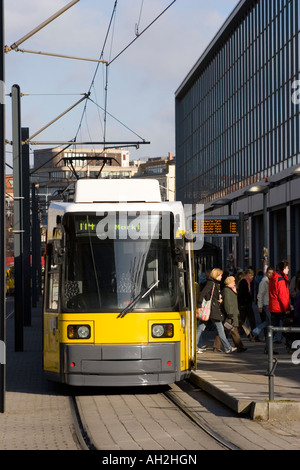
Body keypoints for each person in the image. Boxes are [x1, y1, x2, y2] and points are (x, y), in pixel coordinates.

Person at [197, 268, 237, 354]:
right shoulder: (211, 283)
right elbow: (203, 293)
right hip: (213, 310)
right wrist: (199, 305)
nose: (222, 277)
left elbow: (209, 295)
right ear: (216, 275)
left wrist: (219, 299)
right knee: (220, 328)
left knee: (201, 328)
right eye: (220, 275)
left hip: (210, 310)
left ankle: (195, 347)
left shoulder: (214, 283)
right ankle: (227, 347)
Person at [215, 276, 247, 352]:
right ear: (229, 282)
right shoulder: (227, 291)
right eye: (233, 281)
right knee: (233, 330)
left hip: (232, 313)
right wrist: (229, 313)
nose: (234, 283)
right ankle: (240, 346)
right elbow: (227, 303)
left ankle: (216, 346)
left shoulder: (230, 290)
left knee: (224, 330)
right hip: (230, 314)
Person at [267, 260, 291, 353]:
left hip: (273, 307)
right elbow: (283, 296)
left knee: (272, 329)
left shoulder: (274, 278)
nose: (288, 270)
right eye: (287, 268)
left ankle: (268, 349)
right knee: (288, 329)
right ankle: (290, 346)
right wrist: (287, 308)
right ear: (284, 269)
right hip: (280, 308)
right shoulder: (281, 279)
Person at [252, 267, 274, 340]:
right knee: (269, 322)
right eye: (269, 273)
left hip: (271, 304)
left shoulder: (271, 281)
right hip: (266, 304)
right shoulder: (264, 282)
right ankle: (257, 331)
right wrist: (260, 306)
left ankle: (258, 332)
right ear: (266, 273)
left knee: (268, 322)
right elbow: (260, 295)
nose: (270, 274)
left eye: (272, 273)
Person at [237, 268, 257, 339]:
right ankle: (251, 335)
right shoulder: (244, 282)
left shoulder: (247, 281)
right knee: (246, 321)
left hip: (246, 305)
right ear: (249, 275)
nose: (252, 278)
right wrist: (244, 302)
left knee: (246, 321)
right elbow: (242, 294)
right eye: (252, 276)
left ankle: (252, 334)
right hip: (244, 305)